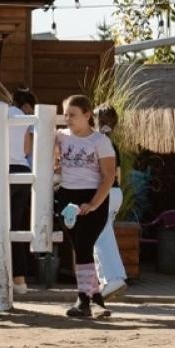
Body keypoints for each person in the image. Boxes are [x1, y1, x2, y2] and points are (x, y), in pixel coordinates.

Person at [55, 94, 116, 319]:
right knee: (81, 248)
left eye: (73, 114)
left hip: (93, 196)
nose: (67, 119)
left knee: (83, 245)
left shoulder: (100, 141)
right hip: (67, 196)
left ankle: (83, 298)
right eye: (65, 114)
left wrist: (94, 203)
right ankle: (96, 300)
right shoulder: (60, 136)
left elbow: (109, 176)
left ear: (87, 115)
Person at [0, 78, 35, 294]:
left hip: (1, 171)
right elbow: (26, 148)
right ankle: (19, 279)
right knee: (14, 226)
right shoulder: (19, 114)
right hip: (22, 170)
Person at [90, 103, 128, 301]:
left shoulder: (98, 142)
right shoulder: (113, 145)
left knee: (101, 237)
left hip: (104, 193)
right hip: (115, 193)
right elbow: (118, 175)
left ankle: (112, 278)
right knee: (103, 235)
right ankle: (112, 278)